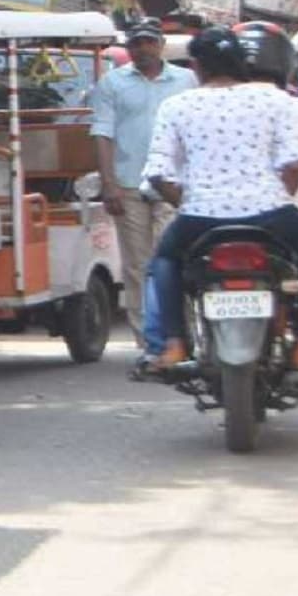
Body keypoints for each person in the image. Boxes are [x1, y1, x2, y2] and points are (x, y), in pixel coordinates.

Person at [136, 22, 298, 369]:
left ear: (197, 66)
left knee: (163, 262)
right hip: (271, 214)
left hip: (200, 218)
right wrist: (274, 198)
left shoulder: (176, 106)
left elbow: (159, 174)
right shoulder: (276, 99)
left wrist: (188, 204)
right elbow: (294, 165)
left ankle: (172, 345)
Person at [90, 18, 198, 349]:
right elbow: (103, 134)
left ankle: (183, 332)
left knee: (174, 258)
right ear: (129, 48)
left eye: (149, 42)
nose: (143, 49)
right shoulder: (112, 83)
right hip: (129, 184)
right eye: (136, 44)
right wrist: (108, 184)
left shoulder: (186, 80)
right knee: (137, 265)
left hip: (173, 186)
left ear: (161, 45)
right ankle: (148, 341)